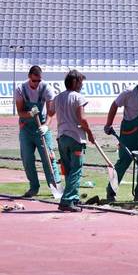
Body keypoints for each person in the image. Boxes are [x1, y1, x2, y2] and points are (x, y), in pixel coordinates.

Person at [104, 69, 138, 202]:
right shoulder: (129, 92)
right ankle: (111, 192)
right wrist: (108, 124)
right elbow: (114, 105)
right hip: (128, 135)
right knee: (123, 163)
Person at [15, 65, 61, 197]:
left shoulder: (46, 88)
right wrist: (30, 113)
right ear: (29, 77)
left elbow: (51, 111)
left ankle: (55, 186)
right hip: (26, 128)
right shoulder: (20, 89)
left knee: (49, 158)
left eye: (39, 81)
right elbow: (20, 112)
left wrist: (46, 125)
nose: (36, 83)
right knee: (27, 159)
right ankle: (34, 187)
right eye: (34, 81)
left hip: (41, 128)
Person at [54, 69, 95, 212]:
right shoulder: (78, 97)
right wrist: (89, 132)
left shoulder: (58, 97)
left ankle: (73, 197)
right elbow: (82, 119)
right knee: (76, 170)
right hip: (75, 138)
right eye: (81, 82)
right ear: (74, 82)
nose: (82, 85)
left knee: (68, 170)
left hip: (62, 137)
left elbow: (52, 112)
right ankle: (67, 200)